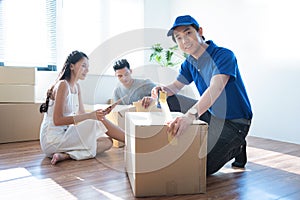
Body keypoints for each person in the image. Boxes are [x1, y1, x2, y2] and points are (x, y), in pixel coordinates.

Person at [142, 15, 253, 175]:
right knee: (167, 99)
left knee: (200, 168)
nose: (184, 41)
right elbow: (175, 87)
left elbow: (216, 88)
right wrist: (162, 90)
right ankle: (215, 139)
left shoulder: (224, 55)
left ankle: (237, 145)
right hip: (211, 114)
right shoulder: (189, 63)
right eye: (178, 38)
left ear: (200, 32)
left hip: (235, 122)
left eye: (188, 33)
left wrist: (189, 116)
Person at [39, 50, 125, 165]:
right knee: (99, 122)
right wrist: (92, 116)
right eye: (83, 66)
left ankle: (66, 155)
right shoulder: (63, 85)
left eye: (87, 67)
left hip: (66, 134)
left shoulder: (77, 87)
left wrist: (98, 114)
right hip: (52, 139)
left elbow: (82, 115)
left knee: (107, 142)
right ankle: (131, 140)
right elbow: (57, 120)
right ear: (71, 66)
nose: (87, 70)